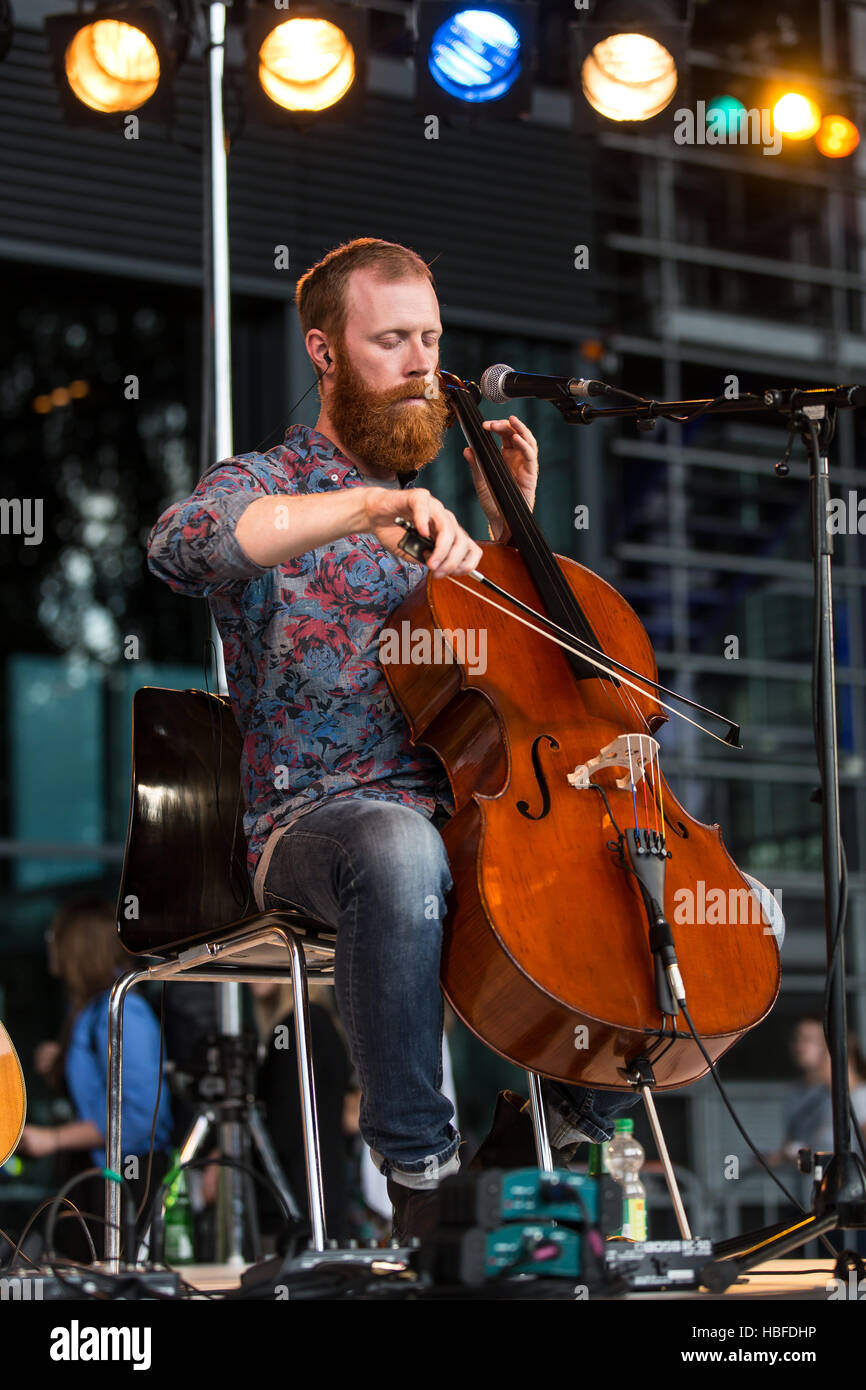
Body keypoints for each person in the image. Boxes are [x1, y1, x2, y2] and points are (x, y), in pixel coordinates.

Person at [146, 237, 639, 1241]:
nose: (423, 363)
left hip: (460, 819)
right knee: (395, 845)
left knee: (632, 870)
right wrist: (369, 505)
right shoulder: (272, 483)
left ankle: (544, 1139)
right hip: (315, 823)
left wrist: (510, 536)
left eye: (431, 338)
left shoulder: (439, 523)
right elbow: (176, 546)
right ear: (325, 352)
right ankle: (419, 1182)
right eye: (391, 341)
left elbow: (496, 689)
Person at [18, 894, 173, 1258]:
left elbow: (138, 1121)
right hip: (95, 1181)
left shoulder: (123, 1007)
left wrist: (53, 1138)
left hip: (127, 1185)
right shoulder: (91, 1011)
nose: (50, 946)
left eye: (56, 938)